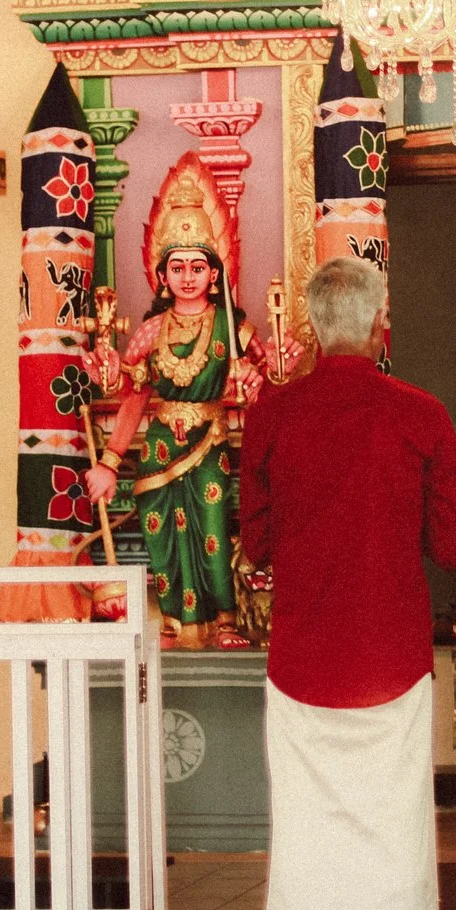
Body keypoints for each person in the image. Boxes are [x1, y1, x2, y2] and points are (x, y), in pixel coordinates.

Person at [240, 256, 456, 910]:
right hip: (390, 656)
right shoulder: (421, 414)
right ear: (380, 327)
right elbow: (452, 544)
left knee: (302, 823)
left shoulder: (272, 413)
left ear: (310, 327)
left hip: (302, 650)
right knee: (394, 820)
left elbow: (257, 545)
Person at [82, 162, 280, 649]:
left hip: (208, 445)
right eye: (177, 268)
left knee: (213, 536)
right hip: (157, 451)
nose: (187, 277)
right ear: (162, 274)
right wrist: (109, 465)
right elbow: (133, 397)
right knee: (161, 541)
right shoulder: (150, 330)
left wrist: (274, 364)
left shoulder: (232, 327)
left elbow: (272, 374)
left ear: (215, 274)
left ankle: (225, 623)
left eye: (197, 268)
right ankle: (172, 623)